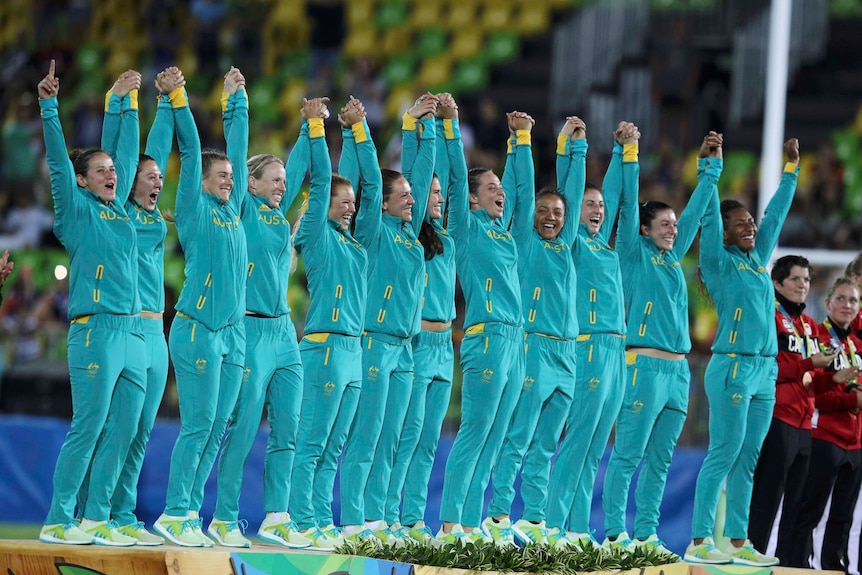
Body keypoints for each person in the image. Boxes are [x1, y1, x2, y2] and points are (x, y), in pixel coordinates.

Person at [37, 60, 147, 546]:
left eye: (113, 171)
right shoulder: (76, 212)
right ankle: (59, 519)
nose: (110, 174)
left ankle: (96, 519)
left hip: (131, 333)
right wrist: (48, 107)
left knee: (122, 433)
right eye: (99, 171)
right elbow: (60, 162)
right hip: (94, 331)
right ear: (83, 181)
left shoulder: (121, 210)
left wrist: (124, 102)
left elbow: (126, 149)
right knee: (89, 428)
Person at [601, 132, 724, 556]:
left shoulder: (672, 256)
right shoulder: (632, 253)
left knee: (660, 460)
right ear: (644, 229)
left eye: (674, 225)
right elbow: (626, 200)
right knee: (628, 455)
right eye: (664, 224)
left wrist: (710, 167)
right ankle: (616, 533)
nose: (674, 229)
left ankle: (646, 536)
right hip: (642, 367)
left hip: (677, 372)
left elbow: (693, 214)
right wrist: (630, 153)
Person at [685, 138, 800, 566]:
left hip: (764, 373)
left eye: (749, 222)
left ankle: (736, 542)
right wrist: (709, 169)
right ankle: (699, 540)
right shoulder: (718, 261)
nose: (750, 227)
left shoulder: (757, 260)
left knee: (748, 458)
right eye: (740, 224)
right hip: (731, 368)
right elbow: (709, 221)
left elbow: (775, 216)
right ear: (725, 232)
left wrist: (791, 171)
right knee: (724, 452)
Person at [209, 97, 317, 549]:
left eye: (284, 183)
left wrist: (311, 126)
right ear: (249, 184)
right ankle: (223, 519)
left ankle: (278, 515)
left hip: (284, 333)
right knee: (245, 425)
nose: (281, 188)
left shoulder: (276, 215)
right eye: (273, 181)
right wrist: (237, 105)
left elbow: (299, 164)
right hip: (249, 332)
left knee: (291, 426)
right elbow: (236, 157)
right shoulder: (244, 209)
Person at [84, 67, 180, 546]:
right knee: (115, 428)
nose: (157, 177)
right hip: (124, 327)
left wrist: (167, 100)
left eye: (159, 176)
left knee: (141, 430)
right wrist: (121, 103)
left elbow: (157, 150)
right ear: (127, 182)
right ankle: (95, 513)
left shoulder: (153, 212)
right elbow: (116, 154)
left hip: (156, 333)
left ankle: (122, 515)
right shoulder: (116, 207)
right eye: (148, 174)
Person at [153, 67, 249, 547]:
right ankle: (174, 512)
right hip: (196, 328)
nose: (231, 181)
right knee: (198, 424)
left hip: (232, 334)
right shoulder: (193, 205)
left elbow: (240, 150)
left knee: (219, 426)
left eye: (233, 176)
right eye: (224, 177)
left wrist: (236, 100)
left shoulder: (234, 210)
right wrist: (179, 98)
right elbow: (191, 151)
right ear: (204, 182)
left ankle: (190, 512)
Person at [481, 116, 586, 547]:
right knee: (518, 438)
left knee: (547, 445)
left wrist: (574, 148)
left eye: (557, 213)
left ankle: (534, 519)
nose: (550, 218)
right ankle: (498, 516)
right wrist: (521, 140)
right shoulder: (523, 241)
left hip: (568, 356)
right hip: (535, 348)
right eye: (544, 212)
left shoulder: (567, 243)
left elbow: (575, 195)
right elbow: (522, 193)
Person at [338, 95, 437, 543]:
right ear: (384, 204)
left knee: (399, 435)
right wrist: (360, 132)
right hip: (374, 341)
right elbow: (371, 184)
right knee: (369, 435)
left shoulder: (411, 236)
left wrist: (421, 126)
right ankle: (355, 518)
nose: (414, 201)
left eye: (414, 198)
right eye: (407, 197)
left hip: (406, 348)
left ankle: (380, 516)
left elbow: (418, 172)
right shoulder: (373, 232)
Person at [288, 97, 382, 550]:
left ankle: (320, 518)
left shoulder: (356, 244)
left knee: (334, 447)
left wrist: (357, 132)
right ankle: (302, 520)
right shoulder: (314, 234)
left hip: (354, 350)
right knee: (313, 440)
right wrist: (316, 130)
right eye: (341, 203)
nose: (349, 208)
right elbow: (323, 180)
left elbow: (373, 186)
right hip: (324, 345)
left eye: (351, 203)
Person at [436, 111, 533, 543]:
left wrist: (522, 141)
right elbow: (457, 179)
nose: (501, 193)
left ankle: (472, 524)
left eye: (500, 188)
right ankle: (448, 525)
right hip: (486, 335)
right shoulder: (467, 226)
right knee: (476, 432)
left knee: (496, 437)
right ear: (472, 200)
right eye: (490, 189)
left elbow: (522, 192)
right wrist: (453, 126)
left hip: (516, 340)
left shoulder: (505, 232)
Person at [543, 122, 638, 548]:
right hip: (588, 347)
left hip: (617, 348)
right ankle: (550, 526)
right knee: (578, 440)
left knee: (595, 447)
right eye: (589, 204)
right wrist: (574, 147)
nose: (599, 209)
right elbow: (568, 185)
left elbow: (619, 199)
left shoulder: (606, 247)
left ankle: (578, 529)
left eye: (600, 205)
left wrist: (625, 152)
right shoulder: (573, 242)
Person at [384, 94, 458, 543]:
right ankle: (387, 515)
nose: (435, 197)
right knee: (403, 437)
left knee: (428, 441)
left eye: (436, 193)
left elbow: (452, 175)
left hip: (443, 347)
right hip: (413, 343)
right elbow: (415, 171)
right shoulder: (406, 234)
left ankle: (411, 519)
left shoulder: (447, 234)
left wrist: (451, 125)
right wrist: (420, 126)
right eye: (427, 192)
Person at [748, 255, 833, 562]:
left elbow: (813, 375)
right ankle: (751, 560)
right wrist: (811, 364)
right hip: (777, 417)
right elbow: (769, 371)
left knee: (796, 504)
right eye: (796, 279)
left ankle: (788, 565)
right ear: (777, 283)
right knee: (766, 500)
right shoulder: (767, 317)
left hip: (805, 423)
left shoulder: (810, 325)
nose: (803, 285)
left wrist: (833, 375)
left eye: (807, 280)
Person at [787, 277, 862, 571]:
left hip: (855, 441)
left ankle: (834, 564)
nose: (847, 305)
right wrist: (847, 396)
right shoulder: (817, 336)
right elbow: (813, 388)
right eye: (841, 299)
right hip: (825, 436)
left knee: (844, 513)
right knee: (811, 509)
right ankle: (798, 563)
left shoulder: (857, 343)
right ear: (828, 303)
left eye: (853, 300)